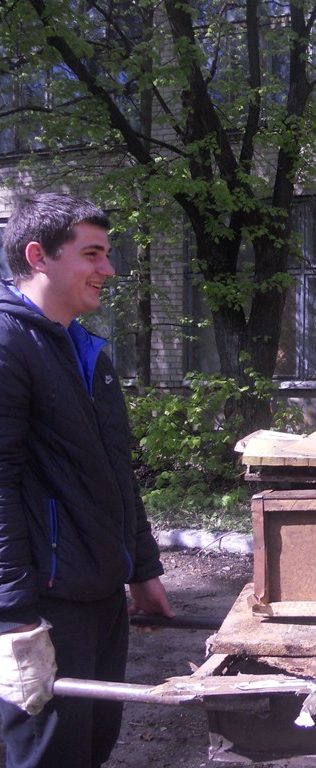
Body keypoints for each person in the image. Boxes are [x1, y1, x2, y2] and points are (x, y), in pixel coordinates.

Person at [0, 193, 174, 768]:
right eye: (93, 254)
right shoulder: (7, 344)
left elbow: (116, 470)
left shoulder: (85, 349)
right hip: (45, 604)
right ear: (39, 256)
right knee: (52, 756)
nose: (109, 269)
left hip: (100, 593)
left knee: (94, 744)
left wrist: (142, 569)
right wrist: (13, 619)